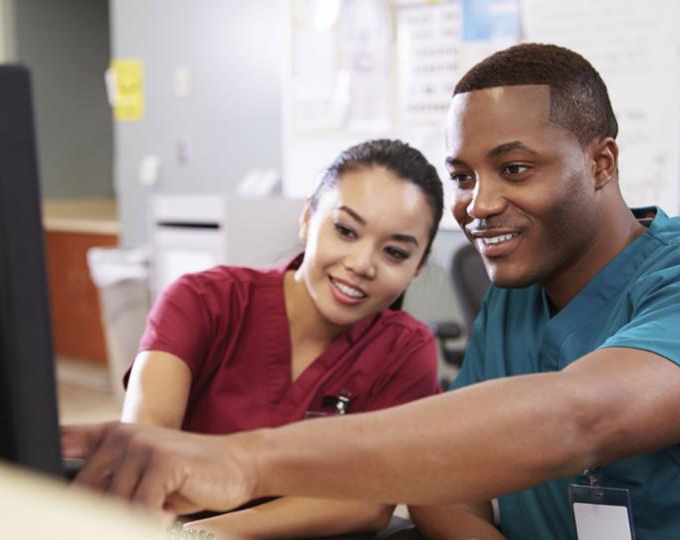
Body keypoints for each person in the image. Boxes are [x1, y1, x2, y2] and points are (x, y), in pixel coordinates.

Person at [64, 44, 680, 539]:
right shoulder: (518, 302)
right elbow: (445, 484)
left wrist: (250, 462)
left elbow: (576, 420)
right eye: (464, 176)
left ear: (601, 163)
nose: (478, 202)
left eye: (514, 169)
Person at [118, 138, 445, 538]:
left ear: (418, 266)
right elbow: (145, 443)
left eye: (394, 252)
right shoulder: (204, 301)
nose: (361, 264)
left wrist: (210, 535)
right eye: (345, 230)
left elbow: (369, 502)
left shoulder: (406, 350)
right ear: (308, 218)